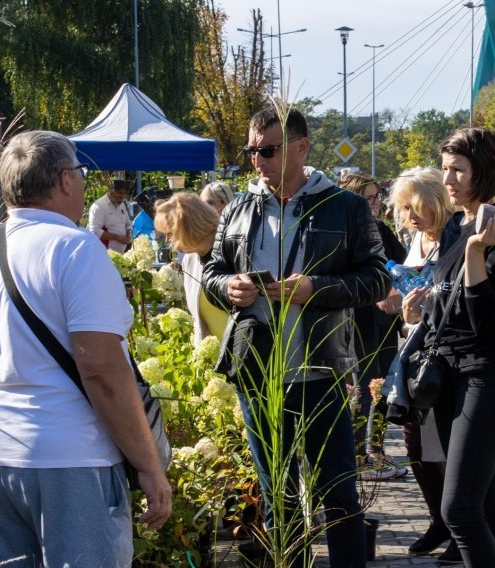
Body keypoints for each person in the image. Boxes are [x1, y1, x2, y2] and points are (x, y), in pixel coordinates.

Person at [0, 130, 172, 566]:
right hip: (69, 454)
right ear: (65, 180)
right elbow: (101, 369)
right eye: (81, 173)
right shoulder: (76, 248)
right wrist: (148, 464)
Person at [202, 107, 390, 568]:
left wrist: (315, 290)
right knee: (276, 494)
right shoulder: (239, 208)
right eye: (251, 151)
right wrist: (228, 288)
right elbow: (211, 270)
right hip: (258, 371)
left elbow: (378, 280)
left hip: (320, 368)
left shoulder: (342, 207)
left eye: (267, 150)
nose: (256, 160)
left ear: (301, 148)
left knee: (337, 491)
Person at [409, 127, 495, 567]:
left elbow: (488, 320)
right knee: (484, 506)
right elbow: (451, 300)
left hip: (490, 374)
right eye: (445, 169)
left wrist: (478, 252)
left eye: (458, 170)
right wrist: (422, 307)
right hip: (449, 372)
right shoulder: (454, 228)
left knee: (458, 508)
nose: (447, 180)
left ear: (483, 171)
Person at [385, 166, 462, 562]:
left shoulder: (457, 237)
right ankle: (439, 520)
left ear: (435, 201)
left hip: (448, 357)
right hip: (416, 354)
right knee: (414, 443)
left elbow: (457, 297)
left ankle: (458, 528)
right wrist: (402, 311)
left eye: (414, 207)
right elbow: (409, 301)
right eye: (403, 208)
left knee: (446, 448)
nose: (409, 216)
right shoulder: (417, 239)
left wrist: (422, 308)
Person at [338, 171, 407, 480]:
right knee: (362, 387)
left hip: (387, 320)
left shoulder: (383, 230)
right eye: (368, 198)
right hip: (359, 319)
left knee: (383, 386)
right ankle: (356, 455)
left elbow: (403, 264)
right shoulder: (346, 233)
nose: (376, 204)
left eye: (378, 196)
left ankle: (375, 450)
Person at [155, 192, 228, 346]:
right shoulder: (189, 260)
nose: (167, 241)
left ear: (188, 228)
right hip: (211, 359)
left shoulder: (232, 252)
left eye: (170, 233)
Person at [89, 179, 133, 252]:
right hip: (104, 252)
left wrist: (129, 233)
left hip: (121, 254)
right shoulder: (99, 206)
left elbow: (128, 223)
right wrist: (117, 237)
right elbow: (95, 231)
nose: (122, 200)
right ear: (111, 193)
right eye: (119, 197)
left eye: (124, 197)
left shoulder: (122, 205)